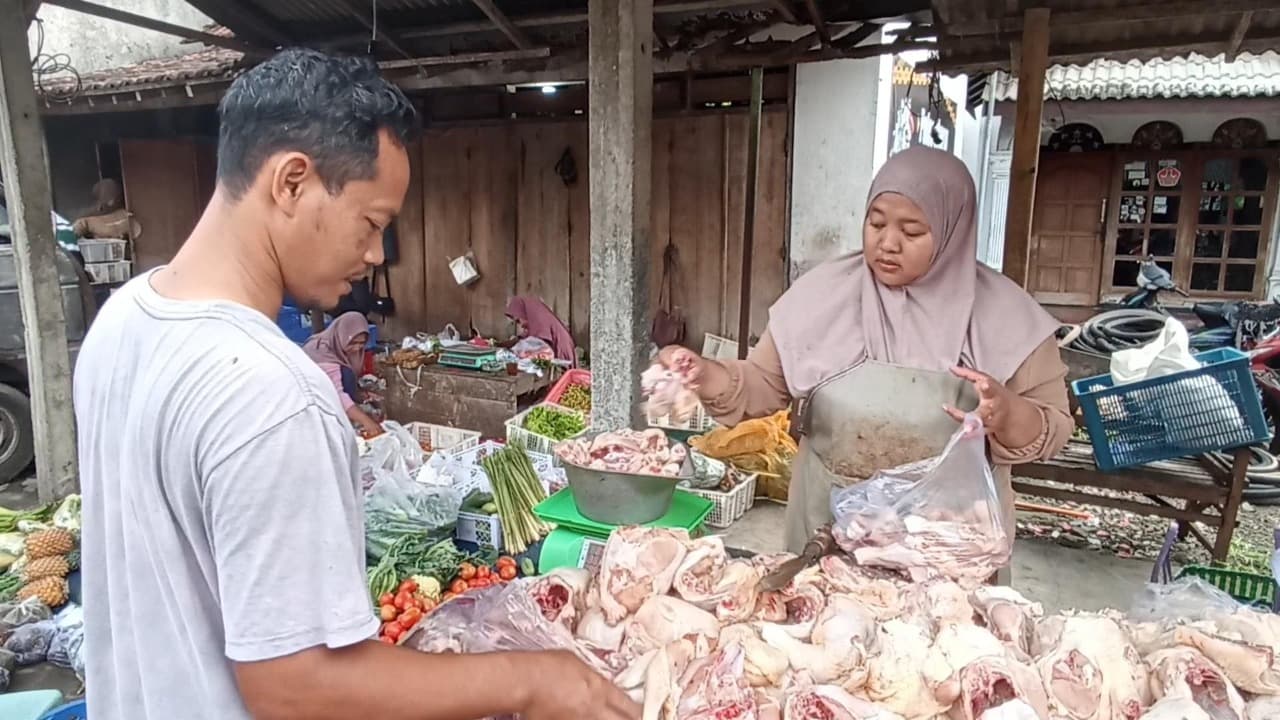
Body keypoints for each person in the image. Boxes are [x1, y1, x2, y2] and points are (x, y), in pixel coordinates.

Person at [73, 48, 639, 720]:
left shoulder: (123, 320)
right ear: (291, 182)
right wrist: (533, 679)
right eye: (372, 223)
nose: (375, 255)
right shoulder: (271, 392)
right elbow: (294, 687)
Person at [657, 146, 1073, 572]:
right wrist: (703, 374)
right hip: (826, 527)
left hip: (947, 540)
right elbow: (762, 384)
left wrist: (1008, 413)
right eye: (876, 223)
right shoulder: (822, 296)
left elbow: (1052, 428)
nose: (887, 243)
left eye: (911, 232)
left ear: (954, 231)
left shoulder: (1005, 317)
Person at [302, 311, 382, 436]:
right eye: (353, 343)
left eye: (361, 344)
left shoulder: (340, 346)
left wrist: (361, 394)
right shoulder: (321, 350)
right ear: (342, 335)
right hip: (314, 408)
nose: (357, 348)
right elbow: (336, 393)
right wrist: (366, 421)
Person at [505, 295, 577, 364]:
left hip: (562, 355)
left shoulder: (540, 322)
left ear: (525, 314)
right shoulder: (535, 322)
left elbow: (539, 344)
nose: (521, 325)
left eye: (518, 320)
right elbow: (524, 337)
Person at [71, 178, 141, 240]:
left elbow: (124, 225)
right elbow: (78, 226)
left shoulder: (124, 213)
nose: (98, 207)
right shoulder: (91, 214)